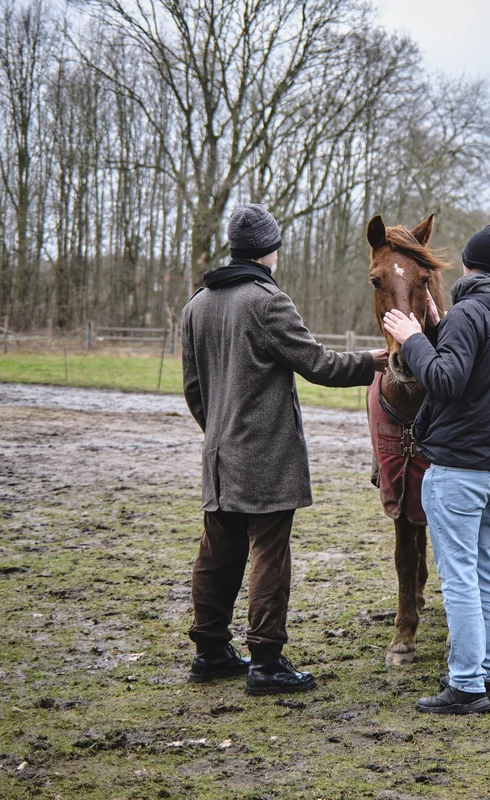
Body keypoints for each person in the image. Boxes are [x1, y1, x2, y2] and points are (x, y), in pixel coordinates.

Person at [181, 203, 388, 695]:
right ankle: (266, 661)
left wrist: (219, 434)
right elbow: (318, 364)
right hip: (266, 457)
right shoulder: (268, 301)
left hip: (219, 456)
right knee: (269, 557)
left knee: (217, 553)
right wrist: (374, 361)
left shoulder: (196, 305)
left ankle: (210, 652)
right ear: (271, 249)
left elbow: (193, 389)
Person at [382, 225, 490, 714]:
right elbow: (482, 366)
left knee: (460, 578)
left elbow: (446, 381)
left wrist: (413, 339)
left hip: (460, 467)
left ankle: (466, 683)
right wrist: (440, 325)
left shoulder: (469, 312)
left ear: (468, 265)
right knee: (487, 571)